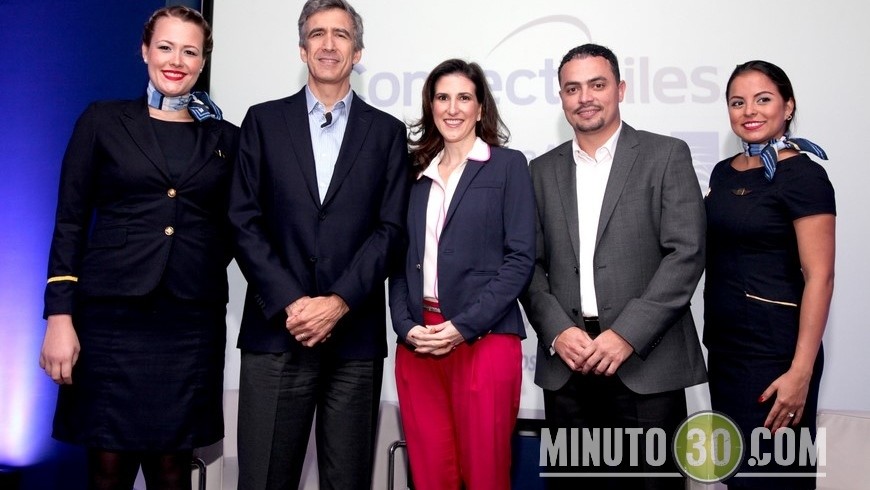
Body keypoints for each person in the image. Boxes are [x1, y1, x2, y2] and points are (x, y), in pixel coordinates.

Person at [38, 6, 237, 489]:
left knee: (173, 468)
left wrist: (199, 262)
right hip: (110, 322)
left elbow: (237, 226)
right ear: (145, 50)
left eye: (189, 51)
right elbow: (70, 222)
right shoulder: (103, 121)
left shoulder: (227, 138)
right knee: (107, 467)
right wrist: (59, 316)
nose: (176, 61)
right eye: (165, 47)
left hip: (189, 324)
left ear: (203, 60)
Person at [227, 0, 411, 488]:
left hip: (354, 339)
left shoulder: (387, 132)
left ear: (358, 52)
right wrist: (293, 302)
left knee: (347, 480)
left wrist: (337, 302)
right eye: (318, 34)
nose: (329, 44)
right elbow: (243, 220)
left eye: (341, 35)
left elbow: (391, 230)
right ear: (302, 49)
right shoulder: (263, 121)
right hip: (276, 332)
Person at [520, 43, 707, 490]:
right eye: (572, 88)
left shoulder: (666, 155)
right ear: (561, 97)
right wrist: (557, 331)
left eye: (597, 85)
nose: (585, 97)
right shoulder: (539, 170)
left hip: (647, 367)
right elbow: (528, 263)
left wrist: (626, 335)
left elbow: (686, 253)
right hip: (568, 370)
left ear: (620, 89)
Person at [388, 58, 535, 490]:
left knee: (485, 475)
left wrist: (462, 326)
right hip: (419, 345)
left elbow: (520, 259)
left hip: (483, 342)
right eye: (442, 97)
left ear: (480, 107)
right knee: (431, 476)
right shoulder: (413, 174)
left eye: (464, 98)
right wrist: (405, 326)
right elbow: (398, 260)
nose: (453, 108)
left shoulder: (507, 166)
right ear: (430, 106)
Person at [704, 60, 834, 489]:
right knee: (737, 477)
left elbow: (820, 276)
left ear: (788, 106)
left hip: (778, 356)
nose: (749, 111)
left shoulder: (805, 175)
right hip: (726, 351)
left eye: (763, 99)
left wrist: (801, 371)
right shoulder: (723, 173)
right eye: (737, 102)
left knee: (775, 479)